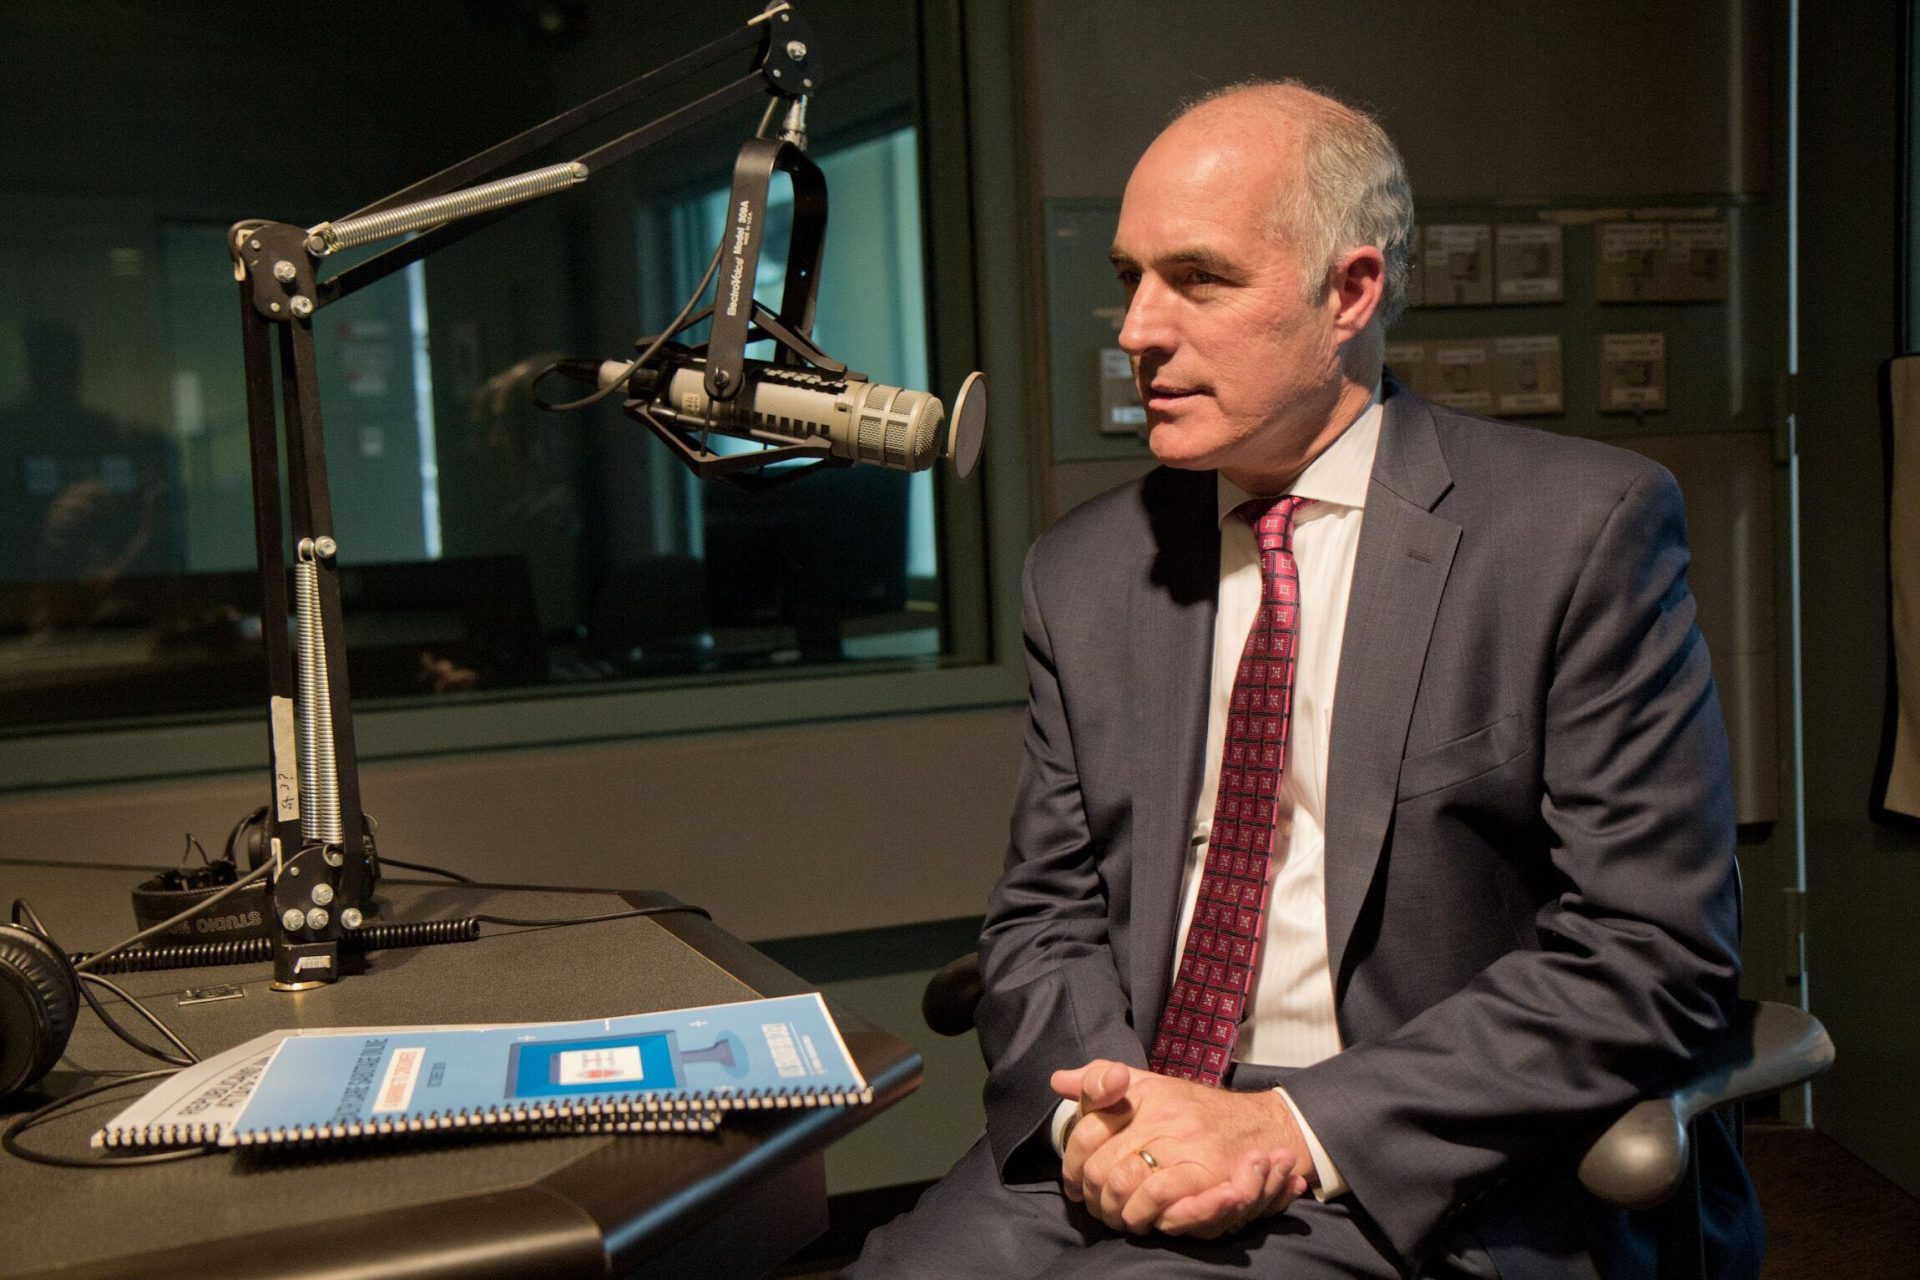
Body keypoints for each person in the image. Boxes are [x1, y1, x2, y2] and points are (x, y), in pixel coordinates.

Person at [850, 80, 1760, 1279]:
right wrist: (1097, 1115)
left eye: (1200, 278)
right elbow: (1044, 914)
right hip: (1136, 1112)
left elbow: (1654, 954)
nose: (1136, 328)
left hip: (1419, 1160)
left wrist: (1289, 1127)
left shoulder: (1575, 532)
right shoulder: (1085, 571)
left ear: (1352, 292)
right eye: (1130, 276)